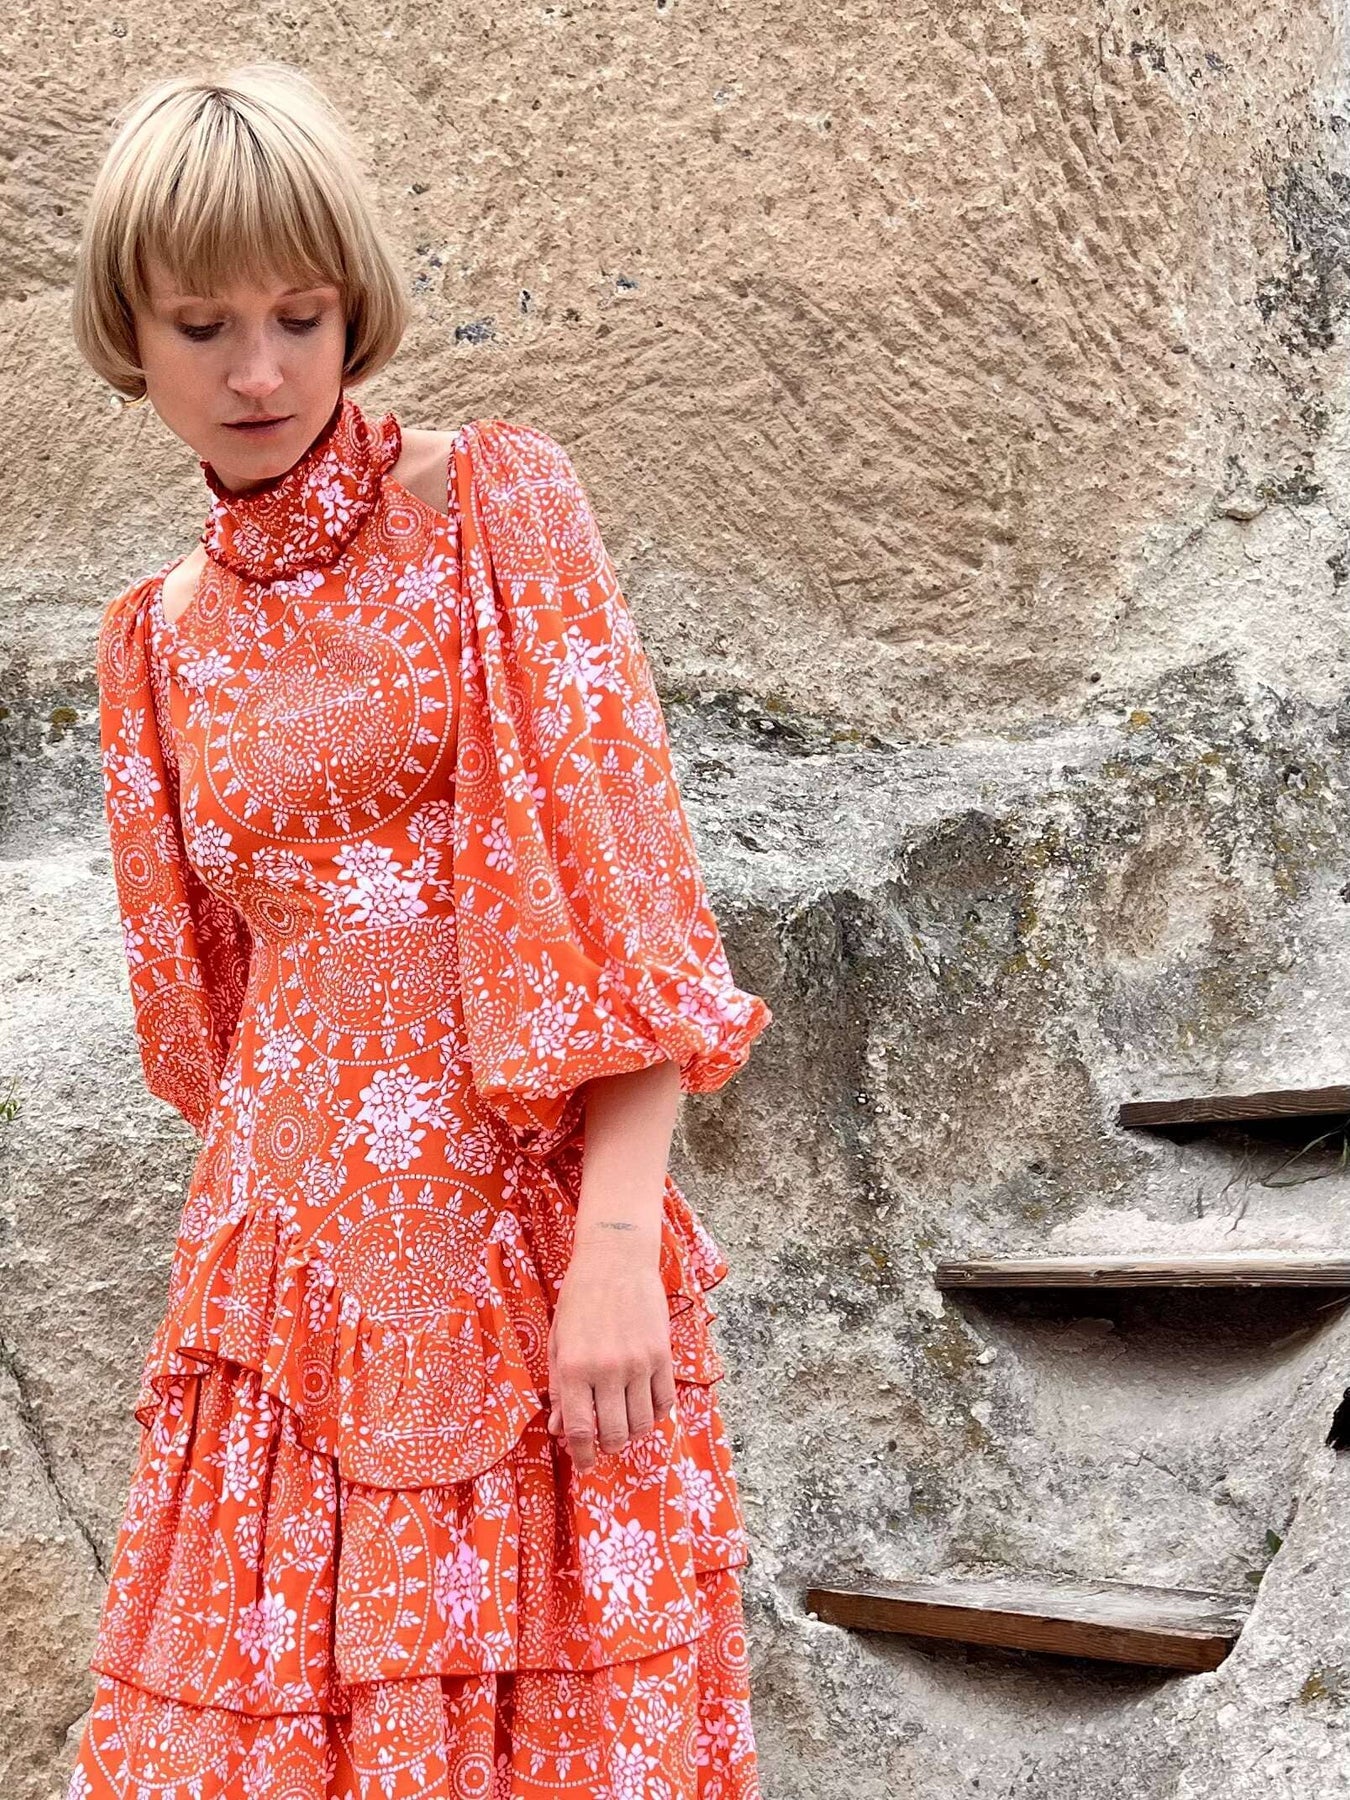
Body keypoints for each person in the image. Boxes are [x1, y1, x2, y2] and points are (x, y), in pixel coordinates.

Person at [65, 60, 773, 1800]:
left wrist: (615, 1242)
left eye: (300, 318)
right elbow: (214, 1037)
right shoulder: (148, 644)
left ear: (353, 312)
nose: (257, 370)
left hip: (529, 1260)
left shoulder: (489, 511)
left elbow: (621, 898)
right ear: (130, 338)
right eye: (203, 325)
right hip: (289, 1304)